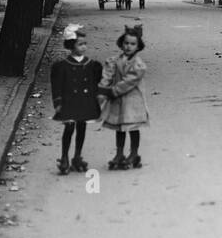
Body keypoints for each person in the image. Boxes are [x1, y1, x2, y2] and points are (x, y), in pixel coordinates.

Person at [50, 24, 103, 175]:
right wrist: (58, 102)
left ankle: (77, 155)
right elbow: (57, 86)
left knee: (82, 126)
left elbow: (95, 83)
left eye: (85, 44)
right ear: (71, 45)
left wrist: (97, 99)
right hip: (69, 101)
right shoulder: (62, 66)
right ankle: (64, 156)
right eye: (80, 44)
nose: (84, 47)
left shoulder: (91, 65)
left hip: (84, 101)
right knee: (69, 127)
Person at [100, 27, 148, 169]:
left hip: (133, 101)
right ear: (121, 44)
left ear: (138, 46)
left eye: (133, 44)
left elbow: (129, 81)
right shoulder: (115, 61)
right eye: (126, 43)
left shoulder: (138, 65)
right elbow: (108, 75)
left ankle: (134, 153)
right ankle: (119, 153)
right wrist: (102, 88)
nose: (128, 46)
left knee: (133, 127)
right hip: (119, 102)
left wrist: (113, 90)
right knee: (119, 128)